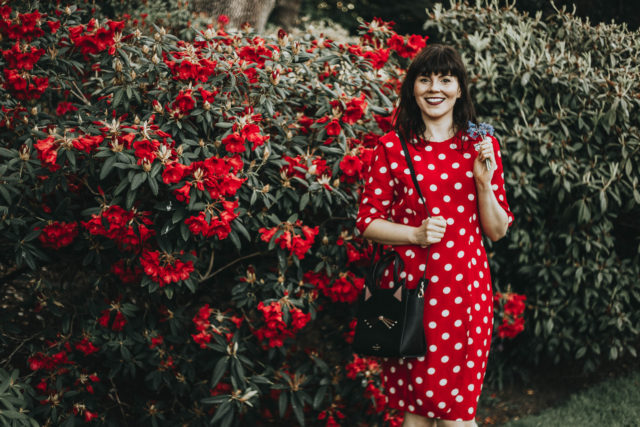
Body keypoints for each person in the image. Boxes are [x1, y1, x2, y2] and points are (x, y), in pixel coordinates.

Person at [355, 44, 514, 427]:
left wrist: (482, 184)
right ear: (412, 89)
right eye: (424, 79)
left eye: (445, 78)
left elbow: (497, 229)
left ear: (460, 88)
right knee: (416, 414)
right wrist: (415, 234)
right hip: (410, 298)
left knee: (457, 416)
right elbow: (366, 222)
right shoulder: (392, 147)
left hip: (464, 296)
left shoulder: (481, 145)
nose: (434, 87)